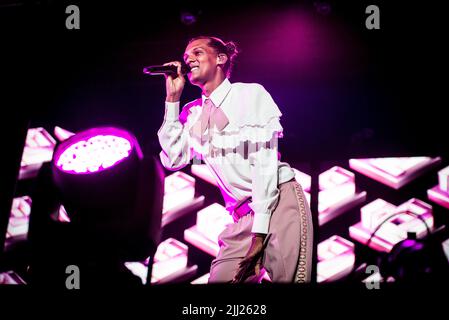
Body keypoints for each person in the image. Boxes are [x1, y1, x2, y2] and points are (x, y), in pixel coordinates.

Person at [157, 36, 313, 283]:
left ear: (220, 58)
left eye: (197, 53)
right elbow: (173, 158)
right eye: (186, 57)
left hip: (278, 204)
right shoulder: (193, 113)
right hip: (241, 217)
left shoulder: (249, 94)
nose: (189, 60)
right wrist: (172, 101)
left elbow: (265, 165)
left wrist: (260, 234)